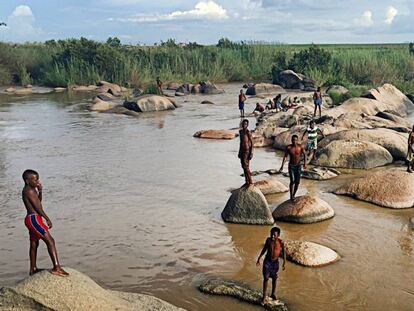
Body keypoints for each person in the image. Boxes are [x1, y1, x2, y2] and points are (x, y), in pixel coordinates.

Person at [22, 169, 68, 277]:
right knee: (50, 241)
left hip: (32, 219)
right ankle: (57, 268)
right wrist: (47, 218)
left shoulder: (31, 190)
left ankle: (33, 269)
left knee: (34, 243)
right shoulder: (29, 191)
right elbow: (38, 208)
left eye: (37, 178)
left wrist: (40, 191)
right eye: (35, 179)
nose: (37, 181)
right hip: (34, 219)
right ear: (27, 181)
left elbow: (38, 202)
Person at [256, 227, 286, 305]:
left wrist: (284, 263)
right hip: (267, 262)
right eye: (271, 234)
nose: (272, 236)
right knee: (266, 278)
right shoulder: (268, 240)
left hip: (275, 263)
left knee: (274, 278)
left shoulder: (281, 242)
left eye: (274, 235)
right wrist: (259, 258)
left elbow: (284, 253)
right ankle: (264, 296)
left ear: (278, 235)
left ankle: (273, 294)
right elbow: (264, 249)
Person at [279, 135, 307, 201]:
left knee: (297, 182)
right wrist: (282, 166)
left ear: (297, 140)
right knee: (292, 181)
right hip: (291, 166)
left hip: (298, 166)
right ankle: (291, 196)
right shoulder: (288, 147)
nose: (294, 141)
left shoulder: (300, 147)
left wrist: (305, 164)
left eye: (296, 140)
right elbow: (285, 157)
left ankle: (294, 194)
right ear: (291, 140)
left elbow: (305, 154)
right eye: (293, 140)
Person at [238, 119, 253, 187]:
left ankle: (250, 181)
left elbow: (252, 142)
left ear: (247, 125)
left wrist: (251, 152)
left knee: (246, 166)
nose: (244, 125)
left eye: (246, 124)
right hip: (242, 150)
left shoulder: (248, 132)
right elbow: (241, 142)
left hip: (247, 151)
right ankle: (246, 181)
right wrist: (239, 152)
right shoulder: (240, 132)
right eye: (243, 124)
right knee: (243, 166)